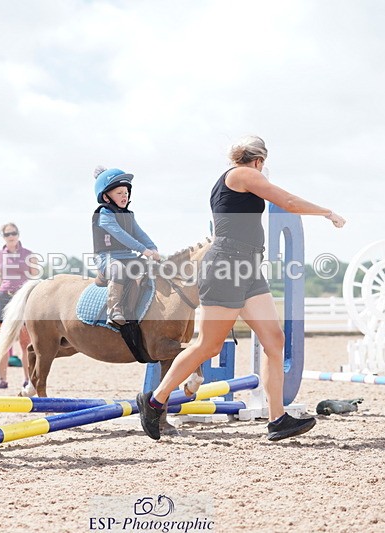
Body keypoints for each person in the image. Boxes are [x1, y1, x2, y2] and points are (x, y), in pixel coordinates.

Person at [136, 135, 346, 441]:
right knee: (208, 346)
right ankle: (155, 401)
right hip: (227, 266)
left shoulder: (239, 176)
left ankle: (278, 419)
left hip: (247, 267)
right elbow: (286, 202)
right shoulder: (242, 174)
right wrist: (327, 212)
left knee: (274, 340)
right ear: (259, 161)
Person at [92, 166, 160, 326]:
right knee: (118, 270)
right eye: (119, 193)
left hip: (128, 257)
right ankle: (113, 310)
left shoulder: (129, 215)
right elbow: (120, 235)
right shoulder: (104, 214)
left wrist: (153, 248)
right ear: (106, 197)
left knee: (151, 269)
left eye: (126, 193)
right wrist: (143, 249)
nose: (124, 196)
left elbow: (139, 233)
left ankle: (134, 310)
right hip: (107, 258)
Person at [0, 223, 39, 389]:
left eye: (13, 233)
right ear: (3, 237)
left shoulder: (29, 255)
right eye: (7, 234)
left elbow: (35, 277)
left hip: (22, 299)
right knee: (3, 341)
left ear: (18, 234)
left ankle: (28, 380)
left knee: (25, 342)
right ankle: (2, 380)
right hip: (3, 298)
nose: (11, 236)